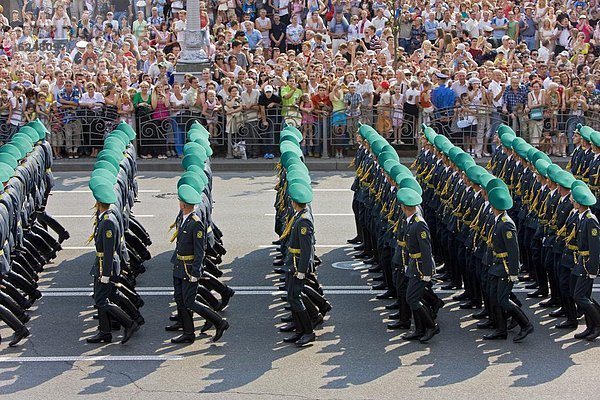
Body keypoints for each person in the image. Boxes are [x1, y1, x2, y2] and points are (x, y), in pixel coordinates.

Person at [168, 183, 229, 344]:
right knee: (180, 299)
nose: (179, 204)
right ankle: (188, 333)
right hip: (179, 266)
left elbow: (199, 251)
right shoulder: (183, 218)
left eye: (180, 202)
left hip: (189, 270)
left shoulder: (196, 223)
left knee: (190, 301)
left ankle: (219, 322)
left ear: (184, 204)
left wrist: (196, 272)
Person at [86, 182, 140, 344]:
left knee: (102, 300)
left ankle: (129, 323)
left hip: (106, 265)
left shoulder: (108, 221)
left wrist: (105, 273)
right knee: (106, 296)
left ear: (97, 203)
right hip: (103, 263)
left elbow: (108, 251)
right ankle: (105, 331)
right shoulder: (105, 218)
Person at [483, 186, 534, 342]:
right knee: (494, 297)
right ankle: (501, 329)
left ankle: (526, 324)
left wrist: (513, 272)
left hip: (504, 267)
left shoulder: (506, 224)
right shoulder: (498, 220)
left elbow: (513, 250)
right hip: (496, 265)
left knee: (503, 299)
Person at [282, 182, 316, 347]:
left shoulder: (304, 221)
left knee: (295, 297)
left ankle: (308, 332)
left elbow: (306, 248)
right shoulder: (299, 216)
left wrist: (302, 270)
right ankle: (299, 330)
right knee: (291, 296)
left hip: (297, 265)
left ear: (294, 202)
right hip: (292, 263)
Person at [571, 184, 600, 341]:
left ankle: (598, 324)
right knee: (585, 295)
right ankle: (591, 327)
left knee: (579, 296)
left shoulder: (590, 220)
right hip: (581, 261)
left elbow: (595, 248)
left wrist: (593, 268)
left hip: (587, 264)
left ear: (578, 203)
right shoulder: (581, 217)